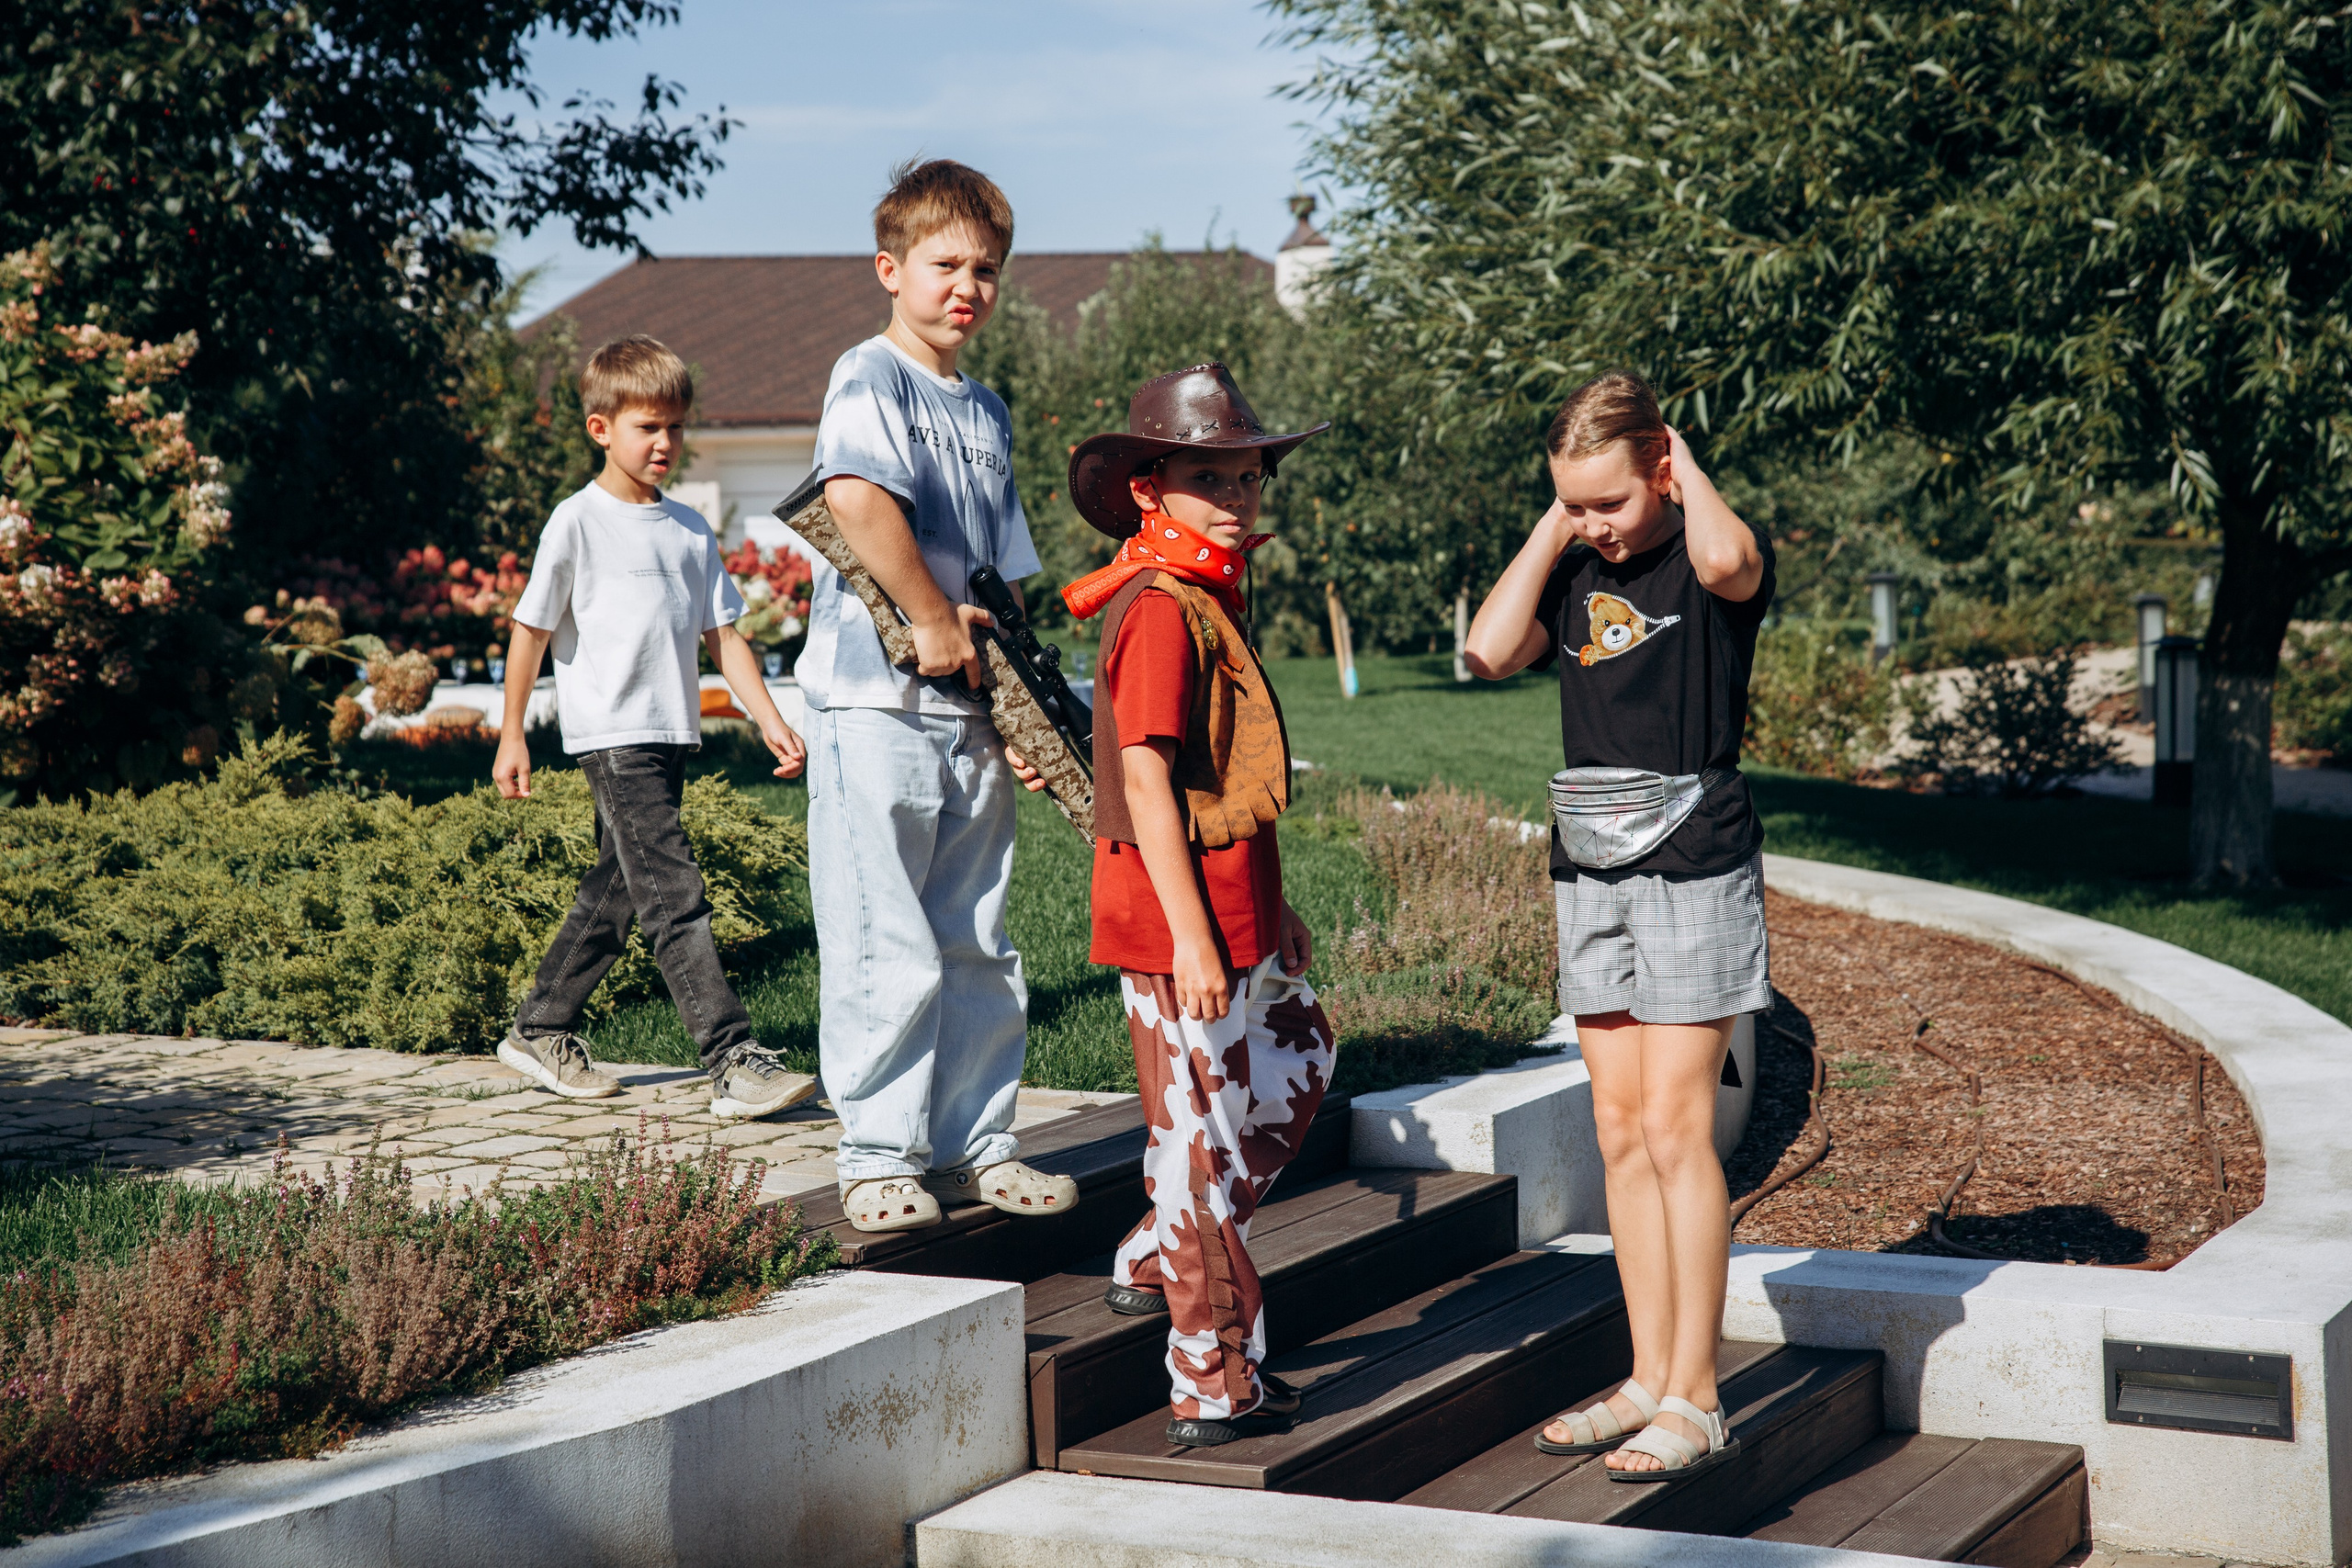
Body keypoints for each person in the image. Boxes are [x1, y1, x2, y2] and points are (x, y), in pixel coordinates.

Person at [1463, 369, 1774, 1482]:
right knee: (1617, 1130)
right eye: (1571, 502)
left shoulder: (1705, 555)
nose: (1595, 523)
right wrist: (1558, 526)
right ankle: (1647, 1378)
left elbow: (1734, 563)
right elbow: (1490, 651)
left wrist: (1684, 476)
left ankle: (1699, 1397)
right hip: (1589, 865)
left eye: (1610, 500)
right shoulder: (1575, 565)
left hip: (1694, 862)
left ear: (1660, 468)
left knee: (1678, 1132)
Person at [1060, 363, 1338, 1450]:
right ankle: (1213, 1383)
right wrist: (1190, 935)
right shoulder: (1163, 609)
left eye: (1247, 474)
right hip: (1181, 930)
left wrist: (1274, 907)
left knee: (1301, 1056)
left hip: (1232, 914)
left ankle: (1150, 1250)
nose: (1234, 495)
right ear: (1149, 487)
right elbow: (1144, 780)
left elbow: (1225, 790)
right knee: (1197, 1154)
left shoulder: (1206, 590)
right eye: (1207, 475)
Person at [804, 158, 1077, 1235]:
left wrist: (1023, 709)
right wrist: (924, 617)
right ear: (890, 269)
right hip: (873, 710)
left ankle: (976, 1145)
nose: (968, 286)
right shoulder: (869, 374)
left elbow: (1002, 580)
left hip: (966, 712)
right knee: (886, 940)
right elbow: (856, 500)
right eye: (945, 264)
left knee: (976, 939)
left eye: (988, 270)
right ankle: (878, 1155)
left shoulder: (987, 409)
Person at [492, 334, 815, 1122]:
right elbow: (530, 631)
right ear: (601, 428)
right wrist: (511, 733)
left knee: (618, 893)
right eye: (647, 427)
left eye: (674, 426)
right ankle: (732, 1058)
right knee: (675, 892)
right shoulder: (577, 522)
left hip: (669, 734)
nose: (665, 442)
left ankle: (541, 1026)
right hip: (611, 734)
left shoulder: (688, 531)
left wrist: (769, 716)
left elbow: (725, 637)